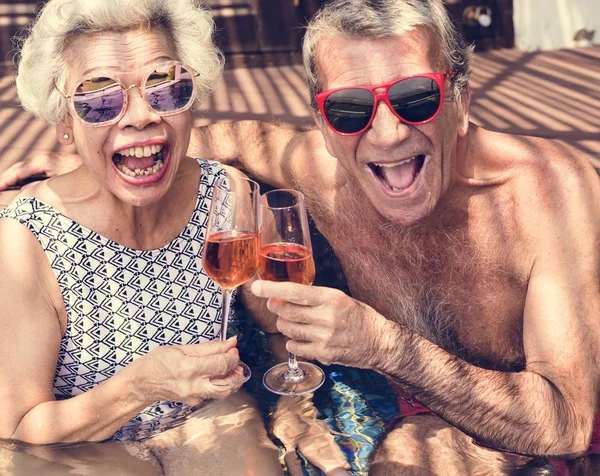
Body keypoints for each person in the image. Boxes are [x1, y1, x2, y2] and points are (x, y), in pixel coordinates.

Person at [3, 0, 600, 475]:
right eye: (348, 109)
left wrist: (382, 346)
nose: (388, 133)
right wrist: (80, 152)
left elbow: (565, 427)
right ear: (321, 123)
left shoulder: (550, 192)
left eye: (417, 97)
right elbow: (190, 136)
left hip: (513, 417)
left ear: (462, 102)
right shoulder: (312, 167)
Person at [0, 1, 351, 475]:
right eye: (100, 99)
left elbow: (275, 327)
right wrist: (141, 386)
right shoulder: (26, 239)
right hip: (83, 446)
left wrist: (294, 409)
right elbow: (17, 427)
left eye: (165, 87)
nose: (140, 116)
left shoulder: (224, 193)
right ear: (64, 121)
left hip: (208, 416)